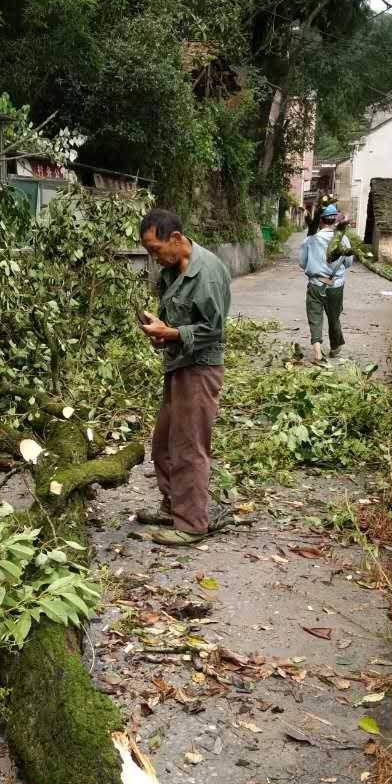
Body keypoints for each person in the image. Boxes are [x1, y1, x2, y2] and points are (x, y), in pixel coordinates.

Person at [135, 208, 232, 547]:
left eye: (155, 249)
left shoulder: (208, 275)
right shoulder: (172, 268)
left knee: (189, 447)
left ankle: (191, 524)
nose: (153, 257)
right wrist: (160, 328)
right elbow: (176, 319)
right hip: (178, 365)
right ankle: (173, 506)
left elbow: (213, 330)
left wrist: (171, 333)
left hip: (200, 369)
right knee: (162, 443)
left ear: (175, 238)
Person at [298, 203, 353, 364]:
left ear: (321, 221)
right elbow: (348, 263)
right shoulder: (344, 239)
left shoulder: (311, 240)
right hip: (336, 285)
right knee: (334, 317)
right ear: (335, 221)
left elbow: (302, 263)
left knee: (315, 317)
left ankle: (317, 352)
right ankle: (335, 347)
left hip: (316, 284)